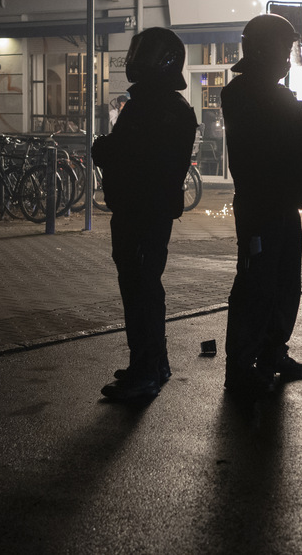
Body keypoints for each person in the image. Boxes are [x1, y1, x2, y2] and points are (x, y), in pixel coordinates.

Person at [221, 13, 302, 398]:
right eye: (285, 50)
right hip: (260, 206)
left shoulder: (267, 93)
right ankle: (240, 366)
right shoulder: (246, 93)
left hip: (281, 205)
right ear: (266, 50)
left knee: (284, 284)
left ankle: (271, 353)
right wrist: (296, 116)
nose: (288, 58)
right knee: (256, 285)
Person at [94, 27, 198, 402]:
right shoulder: (167, 106)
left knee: (139, 289)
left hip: (141, 210)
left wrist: (103, 151)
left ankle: (146, 370)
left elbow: (136, 158)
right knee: (145, 287)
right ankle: (154, 362)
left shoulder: (153, 107)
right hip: (147, 209)